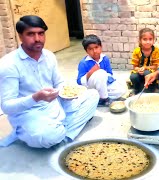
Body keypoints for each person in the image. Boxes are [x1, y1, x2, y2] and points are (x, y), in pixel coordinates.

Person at [0, 15, 99, 148]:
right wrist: (35, 97)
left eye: (41, 33)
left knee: (93, 95)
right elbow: (7, 106)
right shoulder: (9, 64)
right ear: (20, 36)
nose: (37, 39)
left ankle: (64, 135)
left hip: (55, 105)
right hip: (29, 113)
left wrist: (65, 92)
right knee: (46, 136)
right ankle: (44, 132)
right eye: (30, 34)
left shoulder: (49, 56)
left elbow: (59, 83)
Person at [77, 34, 126, 106]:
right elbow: (79, 81)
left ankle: (99, 98)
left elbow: (110, 73)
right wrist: (91, 72)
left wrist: (107, 79)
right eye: (90, 49)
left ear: (101, 47)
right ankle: (104, 99)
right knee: (101, 73)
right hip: (91, 87)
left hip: (103, 85)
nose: (94, 51)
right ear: (86, 51)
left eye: (96, 47)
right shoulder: (84, 63)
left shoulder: (104, 58)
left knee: (121, 89)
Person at [129, 28, 159, 94]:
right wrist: (139, 70)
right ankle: (137, 90)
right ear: (140, 40)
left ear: (153, 40)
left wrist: (145, 68)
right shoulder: (137, 51)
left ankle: (150, 90)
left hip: (151, 72)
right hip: (139, 72)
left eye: (150, 39)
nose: (148, 42)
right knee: (133, 76)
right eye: (145, 39)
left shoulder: (156, 51)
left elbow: (155, 66)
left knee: (147, 73)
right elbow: (135, 67)